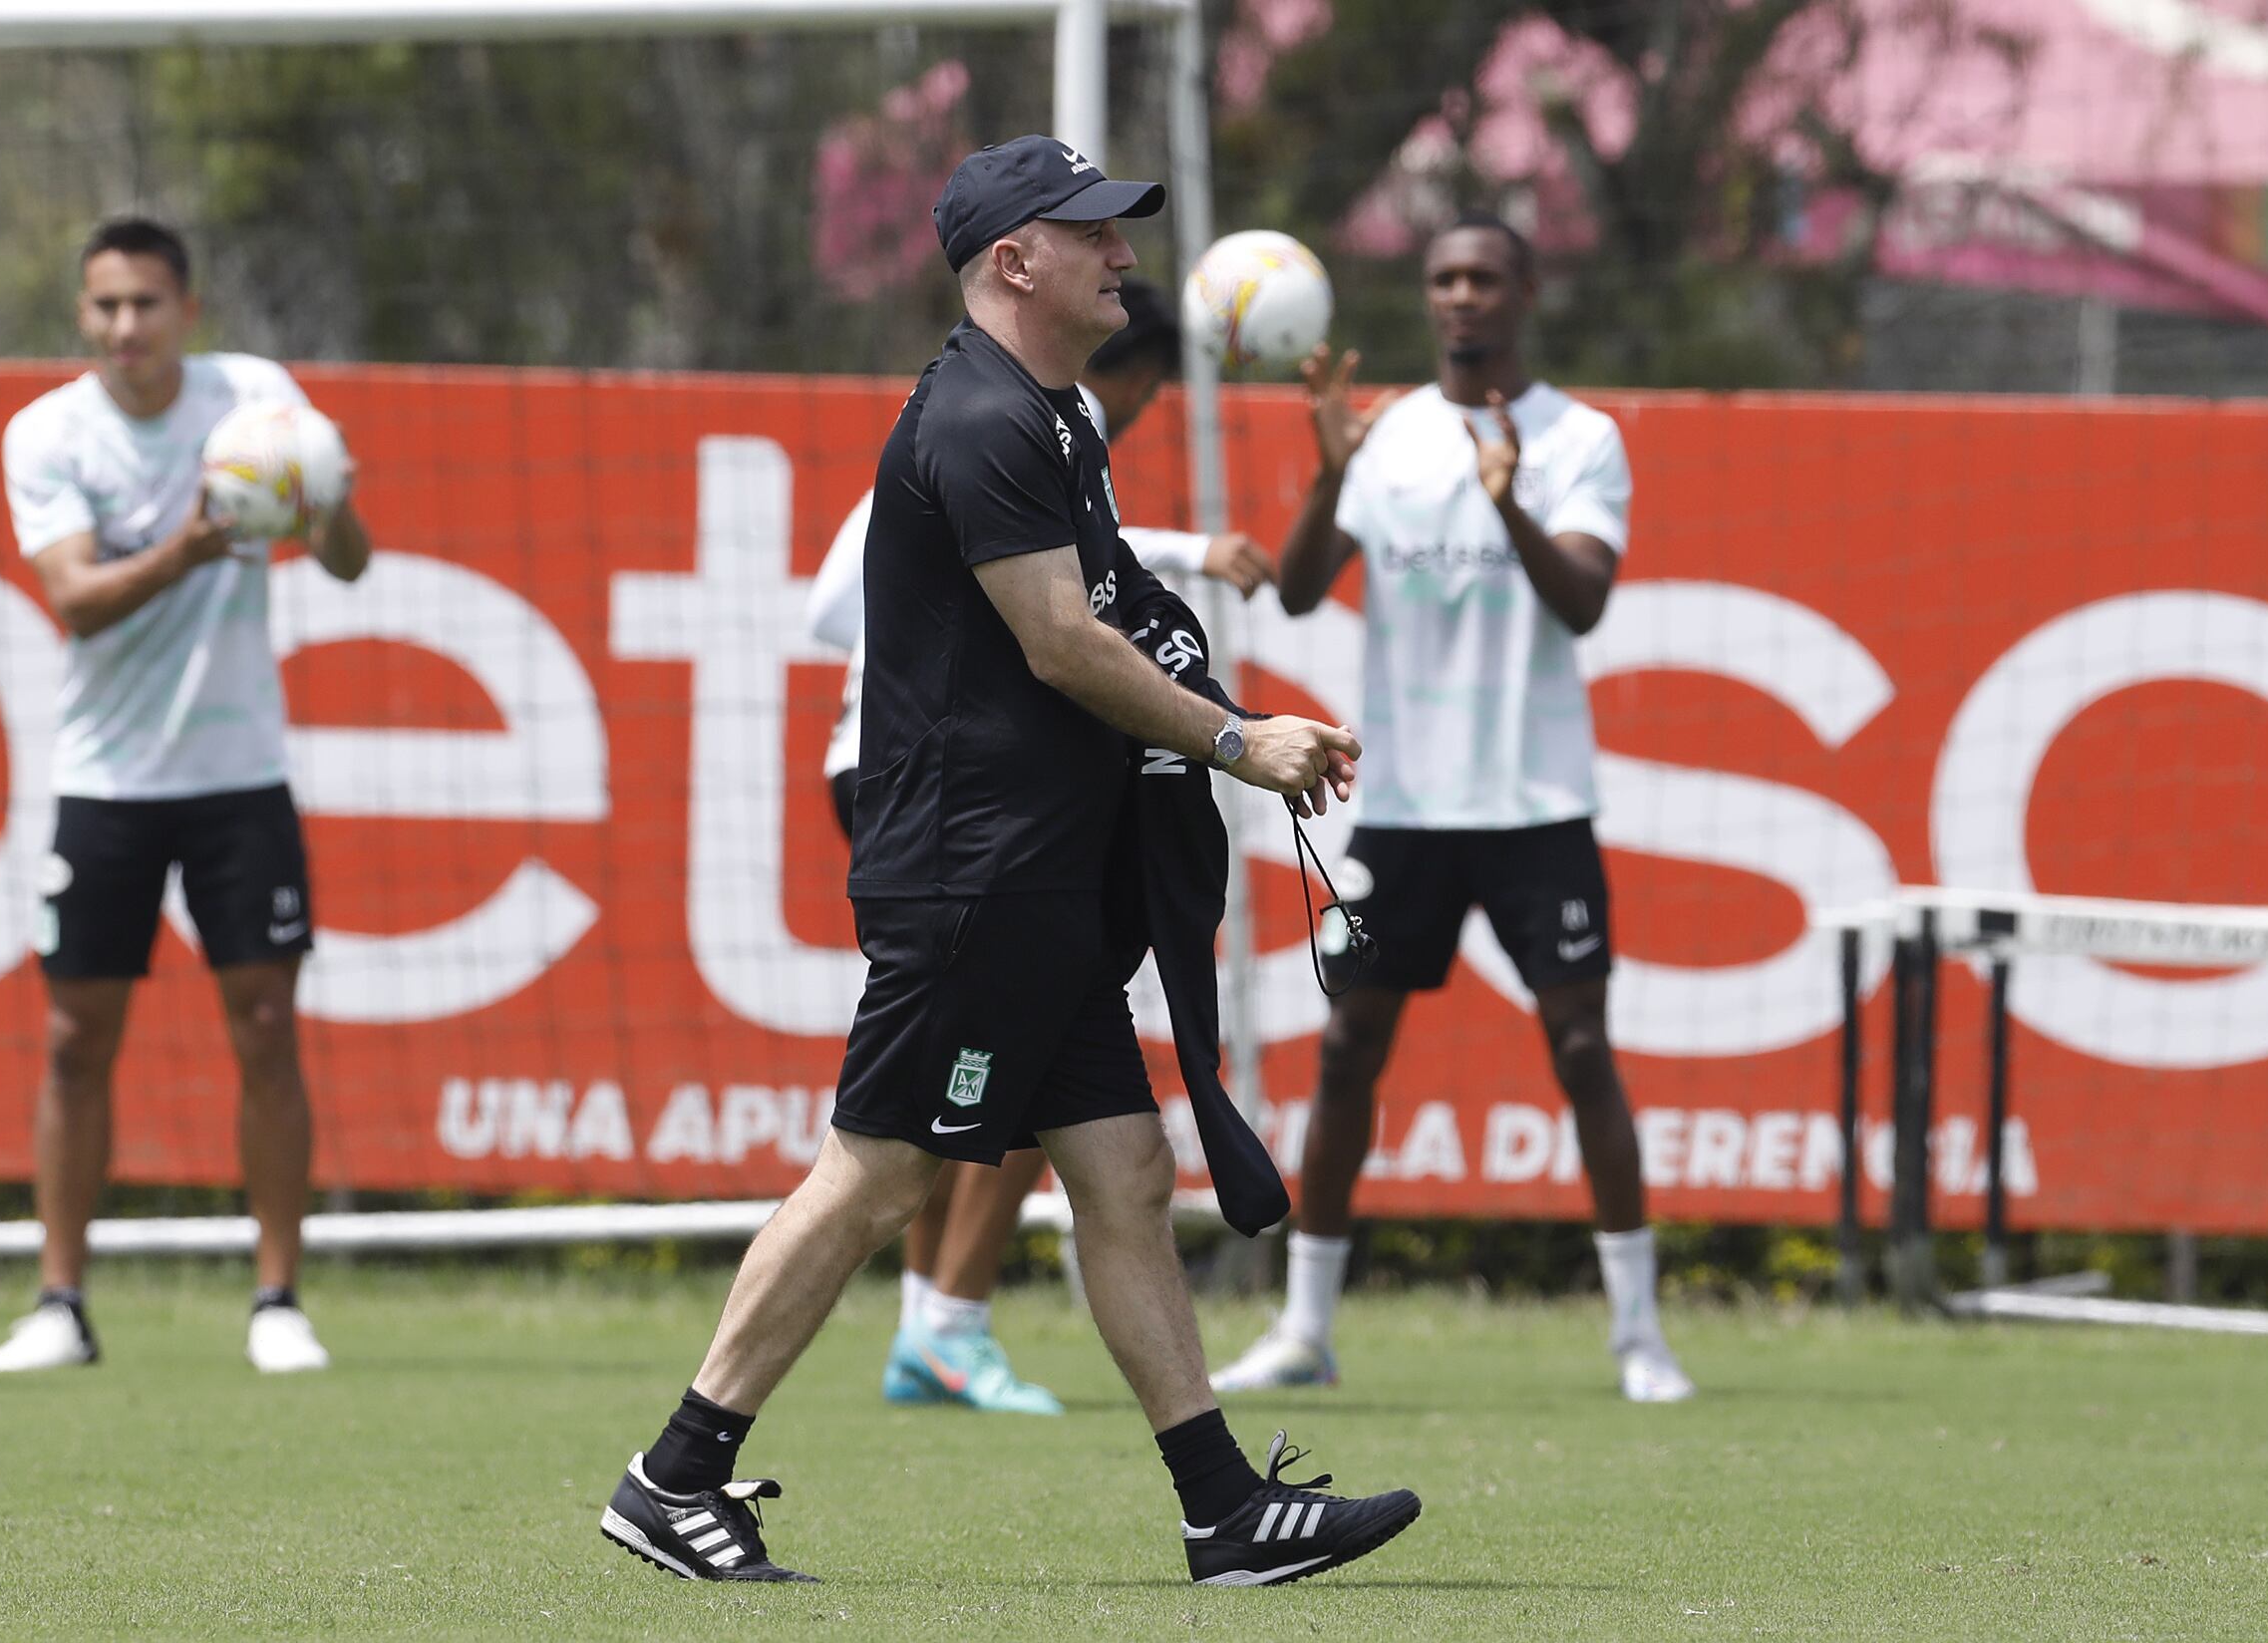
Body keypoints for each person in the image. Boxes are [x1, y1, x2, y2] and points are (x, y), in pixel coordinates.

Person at [602, 135, 1417, 1587]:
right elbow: (1060, 642)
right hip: (972, 880)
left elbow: (1112, 614)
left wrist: (1222, 708)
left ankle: (1223, 1511)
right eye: (1093, 233)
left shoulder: (1053, 417)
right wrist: (1239, 744)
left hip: (1034, 879)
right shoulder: (982, 418)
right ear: (1013, 261)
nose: (1125, 257)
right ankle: (675, 1475)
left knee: (1126, 1169)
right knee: (877, 1176)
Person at [1210, 212, 1695, 1405]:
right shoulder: (1389, 434)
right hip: (1404, 806)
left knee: (1581, 1048)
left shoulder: (1581, 438)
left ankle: (1639, 1337)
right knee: (1348, 1050)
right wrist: (1333, 469)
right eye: (1444, 279)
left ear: (1526, 292)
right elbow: (1303, 590)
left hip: (1537, 803)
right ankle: (1306, 1330)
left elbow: (1583, 602)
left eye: (1484, 277)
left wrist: (1510, 501)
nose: (1461, 296)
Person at [803, 276, 1276, 1418]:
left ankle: (936, 1331)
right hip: (953, 792)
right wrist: (1200, 589)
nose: (1115, 256)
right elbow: (1051, 602)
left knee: (1071, 1122)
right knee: (920, 1138)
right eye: (1094, 238)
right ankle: (919, 1336)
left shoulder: (981, 412)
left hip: (914, 774)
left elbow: (834, 608)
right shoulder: (1019, 413)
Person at [0, 216, 372, 1376]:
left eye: (145, 304)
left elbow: (349, 560)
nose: (125, 327)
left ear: (186, 311)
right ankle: (60, 1303)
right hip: (104, 778)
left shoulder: (254, 398)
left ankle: (277, 1301)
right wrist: (196, 547)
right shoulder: (46, 432)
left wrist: (328, 496)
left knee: (266, 1028)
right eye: (104, 305)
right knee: (74, 1039)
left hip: (238, 775)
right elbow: (77, 601)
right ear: (82, 313)